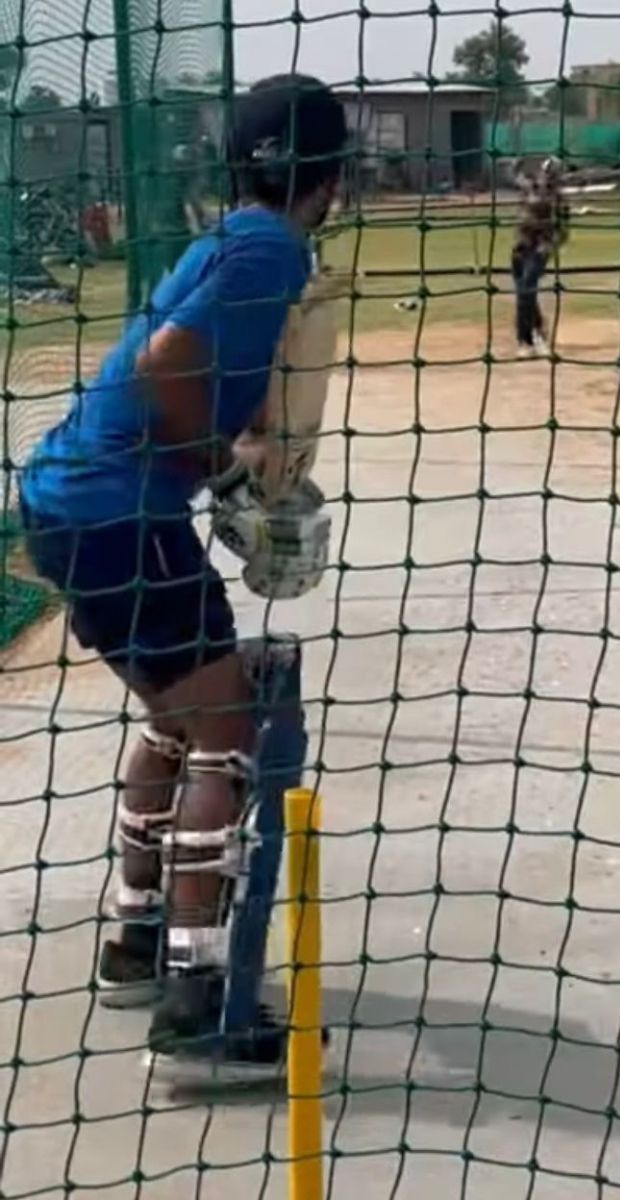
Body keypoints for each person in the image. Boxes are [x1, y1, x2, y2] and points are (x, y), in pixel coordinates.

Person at [16, 73, 349, 1074]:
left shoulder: (234, 239)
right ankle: (196, 1003)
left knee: (175, 716)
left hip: (76, 505)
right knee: (228, 734)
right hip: (119, 513)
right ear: (327, 177)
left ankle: (134, 937)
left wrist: (245, 460)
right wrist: (222, 473)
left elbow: (203, 382)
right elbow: (167, 374)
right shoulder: (266, 248)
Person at [511, 157, 570, 358]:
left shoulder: (558, 199)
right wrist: (517, 164)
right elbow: (515, 176)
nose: (547, 177)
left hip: (539, 249)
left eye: (552, 174)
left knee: (526, 288)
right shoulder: (530, 187)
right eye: (546, 172)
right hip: (520, 246)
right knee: (524, 293)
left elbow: (563, 231)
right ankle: (536, 331)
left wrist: (549, 246)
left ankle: (527, 340)